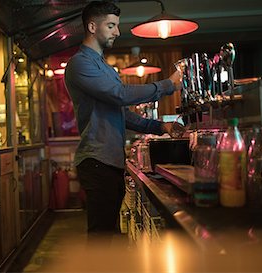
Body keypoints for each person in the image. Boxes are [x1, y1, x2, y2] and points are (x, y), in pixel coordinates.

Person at [64, 1, 185, 236]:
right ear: (92, 26)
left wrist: (161, 126)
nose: (117, 32)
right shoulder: (79, 64)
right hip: (97, 161)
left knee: (110, 234)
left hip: (111, 162)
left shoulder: (105, 68)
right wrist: (167, 85)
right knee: (102, 236)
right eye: (111, 26)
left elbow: (122, 114)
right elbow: (119, 95)